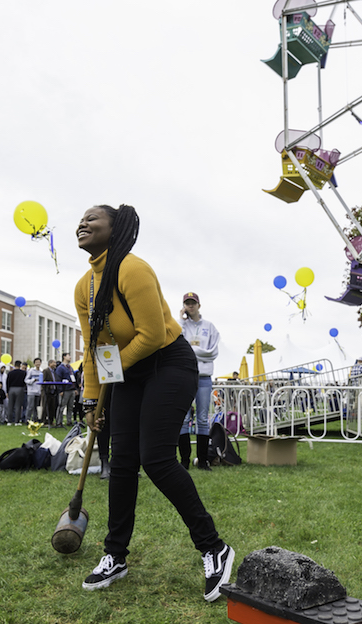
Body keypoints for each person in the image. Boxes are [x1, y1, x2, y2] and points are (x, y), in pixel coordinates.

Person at [74, 203, 234, 600]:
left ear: (116, 227)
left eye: (93, 218)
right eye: (81, 218)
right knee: (123, 461)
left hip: (168, 361)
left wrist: (114, 373)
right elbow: (93, 346)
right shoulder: (84, 287)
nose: (83, 223)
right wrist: (92, 401)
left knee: (157, 458)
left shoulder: (133, 269)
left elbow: (148, 334)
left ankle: (215, 548)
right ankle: (116, 555)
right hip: (128, 371)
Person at [177, 292, 220, 471]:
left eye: (193, 303)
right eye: (187, 303)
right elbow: (177, 345)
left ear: (199, 305)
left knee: (202, 418)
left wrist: (191, 350)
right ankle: (184, 461)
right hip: (185, 375)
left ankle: (203, 461)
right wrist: (180, 320)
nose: (190, 306)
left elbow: (213, 352)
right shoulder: (181, 326)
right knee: (183, 418)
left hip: (203, 377)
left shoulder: (209, 327)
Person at [54, 353, 77, 427]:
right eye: (68, 356)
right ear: (64, 357)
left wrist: (75, 388)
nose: (70, 357)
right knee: (61, 406)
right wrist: (60, 390)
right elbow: (58, 379)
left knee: (70, 407)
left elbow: (73, 378)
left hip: (72, 389)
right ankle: (59, 422)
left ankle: (69, 421)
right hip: (65, 390)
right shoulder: (60, 368)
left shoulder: (70, 367)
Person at [5, 360, 27, 425]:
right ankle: (16, 421)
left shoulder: (10, 373)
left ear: (14, 365)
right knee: (18, 406)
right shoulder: (23, 373)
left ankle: (9, 421)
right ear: (20, 365)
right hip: (20, 388)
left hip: (11, 389)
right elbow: (24, 382)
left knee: (10, 405)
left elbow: (7, 382)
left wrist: (7, 391)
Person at [25, 358, 43, 422]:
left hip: (38, 392)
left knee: (36, 407)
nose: (38, 363)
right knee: (30, 406)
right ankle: (27, 419)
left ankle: (35, 419)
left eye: (39, 362)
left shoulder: (41, 371)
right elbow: (26, 380)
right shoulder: (31, 371)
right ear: (34, 363)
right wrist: (33, 380)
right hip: (31, 391)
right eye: (36, 362)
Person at [42, 360, 59, 426]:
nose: (55, 364)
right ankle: (44, 421)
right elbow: (43, 381)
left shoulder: (54, 371)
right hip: (47, 391)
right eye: (54, 363)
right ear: (50, 363)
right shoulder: (45, 371)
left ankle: (51, 421)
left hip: (54, 392)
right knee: (46, 407)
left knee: (52, 407)